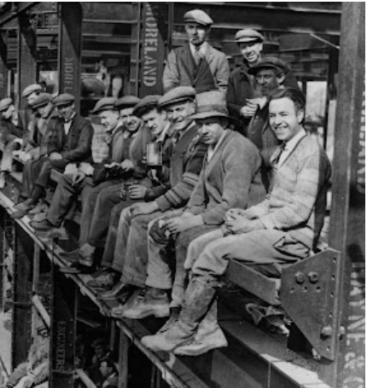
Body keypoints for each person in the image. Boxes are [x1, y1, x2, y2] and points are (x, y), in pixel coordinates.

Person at [142, 88, 322, 356]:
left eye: (284, 114)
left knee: (213, 250)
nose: (277, 121)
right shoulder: (284, 150)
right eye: (273, 115)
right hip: (274, 230)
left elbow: (297, 212)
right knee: (197, 245)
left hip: (294, 239)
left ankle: (185, 328)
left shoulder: (310, 152)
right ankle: (206, 331)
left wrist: (252, 225)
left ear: (300, 115)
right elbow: (273, 199)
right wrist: (249, 214)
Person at [119, 91, 265, 321]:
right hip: (214, 213)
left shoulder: (237, 147)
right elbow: (199, 192)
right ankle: (156, 297)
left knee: (186, 236)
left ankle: (180, 310)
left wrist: (191, 220)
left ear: (225, 122)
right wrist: (184, 214)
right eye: (200, 124)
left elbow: (233, 204)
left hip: (240, 220)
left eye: (210, 123)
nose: (204, 129)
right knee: (160, 226)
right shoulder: (212, 144)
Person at [95, 88, 206, 309]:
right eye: (171, 111)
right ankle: (125, 280)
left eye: (179, 109)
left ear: (193, 108)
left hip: (188, 205)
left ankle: (139, 287)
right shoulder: (172, 138)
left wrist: (152, 199)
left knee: (138, 219)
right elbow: (161, 176)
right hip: (171, 198)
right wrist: (149, 183)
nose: (175, 116)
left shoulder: (194, 138)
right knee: (127, 210)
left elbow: (183, 186)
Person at [60, 95, 146, 270]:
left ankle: (90, 250)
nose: (129, 120)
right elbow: (113, 161)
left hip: (139, 182)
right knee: (92, 195)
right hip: (122, 179)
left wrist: (134, 165)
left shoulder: (149, 136)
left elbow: (154, 166)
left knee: (104, 196)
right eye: (125, 117)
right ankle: (88, 251)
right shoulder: (120, 136)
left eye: (132, 116)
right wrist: (115, 167)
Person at [19, 93, 93, 222]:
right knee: (41, 163)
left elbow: (83, 149)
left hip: (77, 161)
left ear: (73, 105)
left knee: (47, 164)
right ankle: (42, 203)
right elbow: (51, 142)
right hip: (62, 160)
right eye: (59, 108)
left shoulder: (84, 124)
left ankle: (34, 199)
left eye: (65, 107)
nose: (62, 110)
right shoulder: (58, 123)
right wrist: (53, 152)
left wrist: (62, 156)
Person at [226, 29, 298, 133]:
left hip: (273, 129)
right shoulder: (235, 75)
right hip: (244, 130)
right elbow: (228, 103)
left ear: (260, 46)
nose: (248, 50)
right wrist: (241, 110)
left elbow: (295, 95)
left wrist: (268, 100)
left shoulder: (278, 68)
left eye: (251, 45)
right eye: (243, 47)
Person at [8, 92, 58, 218]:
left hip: (52, 152)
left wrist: (33, 154)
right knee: (29, 164)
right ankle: (28, 199)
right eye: (38, 108)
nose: (41, 110)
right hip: (41, 151)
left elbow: (52, 143)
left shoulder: (56, 119)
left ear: (51, 104)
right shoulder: (37, 117)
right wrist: (25, 152)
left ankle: (35, 201)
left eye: (44, 107)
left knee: (36, 164)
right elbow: (32, 140)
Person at [163, 9, 229, 94]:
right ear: (185, 28)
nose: (194, 32)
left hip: (208, 106)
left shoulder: (219, 57)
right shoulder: (175, 55)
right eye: (191, 27)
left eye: (199, 28)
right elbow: (169, 85)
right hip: (182, 105)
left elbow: (223, 89)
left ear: (208, 30)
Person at [243, 57, 291, 152]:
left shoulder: (288, 102)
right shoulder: (262, 103)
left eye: (267, 77)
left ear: (280, 78)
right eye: (259, 77)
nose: (261, 82)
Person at [0, 97, 24, 189]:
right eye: (2, 112)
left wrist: (24, 140)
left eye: (4, 111)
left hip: (28, 142)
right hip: (16, 143)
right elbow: (5, 135)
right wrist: (17, 139)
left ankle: (3, 176)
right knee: (9, 145)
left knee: (9, 145)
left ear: (12, 108)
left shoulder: (23, 116)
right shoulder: (4, 121)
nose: (3, 114)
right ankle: (3, 174)